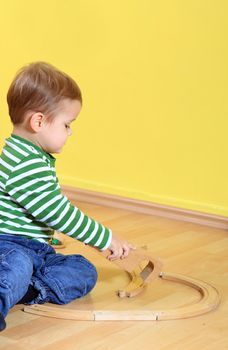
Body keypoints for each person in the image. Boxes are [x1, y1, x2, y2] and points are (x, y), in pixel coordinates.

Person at [0, 62, 134, 331]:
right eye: (67, 124)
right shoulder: (25, 164)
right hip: (8, 248)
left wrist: (45, 236)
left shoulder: (32, 156)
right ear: (38, 121)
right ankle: (10, 290)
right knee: (16, 264)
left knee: (83, 270)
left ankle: (28, 288)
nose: (70, 132)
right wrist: (104, 238)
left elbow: (36, 208)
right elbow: (58, 212)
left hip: (34, 251)